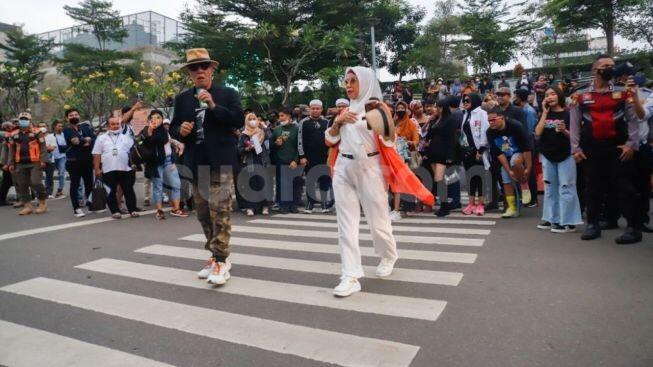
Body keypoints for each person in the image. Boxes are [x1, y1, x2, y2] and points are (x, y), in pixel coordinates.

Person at [324, 66, 433, 297]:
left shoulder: (377, 107)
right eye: (346, 81)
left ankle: (388, 254)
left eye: (353, 81)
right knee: (346, 225)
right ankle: (350, 275)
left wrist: (382, 127)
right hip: (343, 167)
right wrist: (337, 123)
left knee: (377, 220)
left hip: (371, 167)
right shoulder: (344, 110)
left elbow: (389, 141)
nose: (349, 85)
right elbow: (330, 139)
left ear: (365, 82)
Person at [170, 48, 244, 285]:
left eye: (204, 66)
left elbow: (238, 120)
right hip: (195, 162)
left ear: (212, 69)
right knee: (203, 213)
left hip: (220, 161)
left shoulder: (226, 94)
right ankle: (214, 255)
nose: (199, 71)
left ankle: (221, 260)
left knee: (220, 210)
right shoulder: (182, 99)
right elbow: (172, 128)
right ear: (189, 73)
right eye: (194, 68)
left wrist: (213, 105)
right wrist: (179, 131)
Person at [570, 54, 642, 244]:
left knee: (624, 187)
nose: (610, 68)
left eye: (612, 65)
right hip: (591, 148)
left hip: (618, 147)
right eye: (605, 65)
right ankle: (593, 224)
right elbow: (575, 123)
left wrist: (631, 144)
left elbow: (634, 120)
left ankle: (633, 227)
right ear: (595, 71)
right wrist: (575, 149)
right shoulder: (581, 95)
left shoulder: (623, 92)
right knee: (592, 187)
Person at [534, 87, 583, 232]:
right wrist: (544, 112)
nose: (550, 97)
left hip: (566, 155)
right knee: (550, 188)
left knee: (566, 188)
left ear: (560, 96)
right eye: (547, 95)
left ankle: (568, 222)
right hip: (548, 156)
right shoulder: (545, 113)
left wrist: (564, 131)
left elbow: (576, 137)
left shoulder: (569, 113)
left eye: (553, 94)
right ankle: (552, 218)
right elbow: (537, 132)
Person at [486, 106, 533, 218]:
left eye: (493, 120)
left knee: (514, 162)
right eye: (489, 120)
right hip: (505, 155)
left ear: (501, 118)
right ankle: (511, 207)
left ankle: (524, 185)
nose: (491, 123)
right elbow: (499, 154)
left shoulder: (515, 126)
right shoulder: (490, 132)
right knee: (506, 180)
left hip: (521, 152)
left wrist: (528, 167)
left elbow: (527, 147)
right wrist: (509, 171)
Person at [142, 109, 188, 220]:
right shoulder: (147, 130)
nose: (156, 120)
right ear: (149, 120)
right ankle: (159, 210)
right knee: (158, 187)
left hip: (168, 160)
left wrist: (177, 144)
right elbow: (148, 142)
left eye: (158, 117)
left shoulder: (165, 130)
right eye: (153, 118)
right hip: (156, 162)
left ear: (162, 119)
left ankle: (176, 209)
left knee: (176, 184)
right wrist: (150, 130)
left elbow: (169, 141)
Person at [92, 116, 139, 219]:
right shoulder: (101, 138)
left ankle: (133, 209)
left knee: (128, 190)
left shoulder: (126, 137)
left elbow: (133, 152)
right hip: (108, 169)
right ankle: (115, 211)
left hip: (125, 169)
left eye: (117, 124)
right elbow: (96, 154)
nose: (115, 126)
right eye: (112, 124)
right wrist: (97, 169)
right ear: (108, 126)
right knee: (111, 191)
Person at [7, 112, 48, 215]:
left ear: (30, 120)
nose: (23, 121)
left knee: (36, 182)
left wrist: (43, 160)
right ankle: (27, 206)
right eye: (22, 119)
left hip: (35, 162)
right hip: (20, 163)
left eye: (25, 119)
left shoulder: (37, 132)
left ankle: (42, 202)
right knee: (22, 185)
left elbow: (43, 147)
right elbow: (11, 149)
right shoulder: (14, 134)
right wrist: (10, 163)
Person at [424, 99, 458, 217]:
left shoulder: (450, 119)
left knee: (440, 179)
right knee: (438, 179)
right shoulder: (436, 119)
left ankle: (444, 206)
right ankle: (444, 205)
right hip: (433, 152)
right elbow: (429, 133)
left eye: (437, 106)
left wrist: (450, 155)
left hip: (443, 153)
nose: (435, 109)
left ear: (442, 107)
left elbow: (451, 139)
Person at [298, 99, 331, 213]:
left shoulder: (327, 122)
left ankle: (324, 203)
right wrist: (302, 156)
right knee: (310, 180)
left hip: (324, 156)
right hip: (309, 157)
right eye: (313, 108)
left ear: (321, 109)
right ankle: (310, 203)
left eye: (318, 108)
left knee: (324, 180)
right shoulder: (303, 122)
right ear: (310, 109)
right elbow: (300, 140)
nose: (315, 110)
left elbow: (330, 139)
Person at [460, 93, 490, 216]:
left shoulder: (482, 113)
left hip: (478, 150)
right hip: (467, 151)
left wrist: (481, 149)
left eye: (468, 100)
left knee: (479, 178)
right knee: (470, 178)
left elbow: (485, 131)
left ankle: (480, 204)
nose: (465, 102)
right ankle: (471, 204)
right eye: (464, 100)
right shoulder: (466, 115)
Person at [63, 108, 96, 217]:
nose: (74, 116)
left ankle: (91, 205)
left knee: (89, 184)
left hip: (87, 160)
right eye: (71, 115)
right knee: (75, 184)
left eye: (76, 114)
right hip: (74, 162)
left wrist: (86, 140)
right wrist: (86, 140)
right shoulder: (67, 130)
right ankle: (76, 208)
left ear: (79, 116)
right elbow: (75, 141)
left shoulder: (85, 127)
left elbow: (94, 138)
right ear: (67, 118)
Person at [390, 100, 419, 221]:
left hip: (405, 157)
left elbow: (416, 141)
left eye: (403, 108)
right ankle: (395, 207)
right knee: (392, 184)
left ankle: (404, 208)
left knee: (403, 183)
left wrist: (407, 142)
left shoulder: (411, 124)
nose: (400, 110)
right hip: (392, 157)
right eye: (398, 108)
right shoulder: (393, 123)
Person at [237, 112, 271, 216]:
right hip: (250, 162)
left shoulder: (261, 132)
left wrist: (265, 127)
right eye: (250, 119)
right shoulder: (244, 135)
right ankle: (250, 207)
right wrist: (247, 148)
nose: (252, 120)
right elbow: (239, 149)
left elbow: (270, 137)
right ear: (247, 121)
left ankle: (265, 206)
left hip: (262, 161)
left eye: (254, 118)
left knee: (263, 183)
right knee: (251, 184)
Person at [272, 108, 301, 214]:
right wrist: (276, 144)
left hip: (293, 161)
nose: (280, 118)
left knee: (294, 183)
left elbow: (300, 146)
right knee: (282, 184)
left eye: (282, 115)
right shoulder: (277, 130)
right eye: (279, 116)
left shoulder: (297, 129)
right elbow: (271, 147)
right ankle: (283, 205)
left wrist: (295, 160)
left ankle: (293, 205)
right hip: (281, 160)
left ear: (289, 116)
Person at [514, 88, 539, 208]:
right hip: (523, 144)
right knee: (523, 172)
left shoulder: (528, 111)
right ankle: (526, 197)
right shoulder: (522, 110)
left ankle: (533, 199)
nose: (514, 98)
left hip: (529, 144)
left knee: (529, 172)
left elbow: (528, 131)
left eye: (516, 96)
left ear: (519, 97)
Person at [47, 120, 67, 199]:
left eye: (62, 126)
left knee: (61, 173)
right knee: (49, 175)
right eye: (59, 126)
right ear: (55, 126)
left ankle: (60, 190)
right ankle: (48, 191)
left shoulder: (64, 135)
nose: (61, 127)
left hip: (62, 156)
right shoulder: (51, 135)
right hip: (52, 157)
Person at [0, 121, 18, 206]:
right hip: (7, 162)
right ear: (6, 128)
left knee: (8, 181)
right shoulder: (6, 136)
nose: (13, 127)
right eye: (11, 126)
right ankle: (1, 199)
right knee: (7, 182)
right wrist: (4, 164)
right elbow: (5, 152)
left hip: (8, 162)